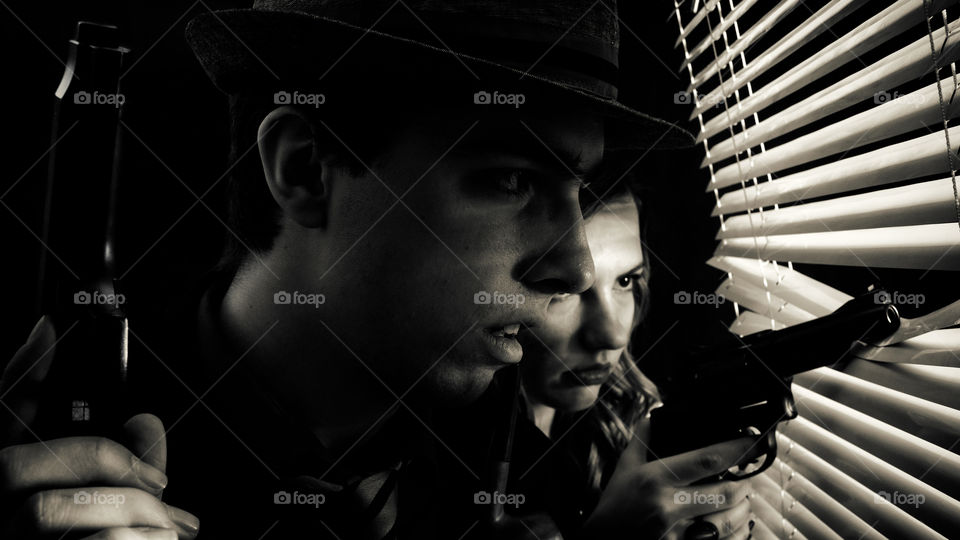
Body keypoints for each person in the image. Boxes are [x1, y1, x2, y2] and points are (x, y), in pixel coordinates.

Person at [0, 1, 752, 538]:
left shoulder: (512, 440)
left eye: (578, 191)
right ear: (304, 170)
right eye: (511, 179)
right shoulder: (56, 435)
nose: (575, 268)